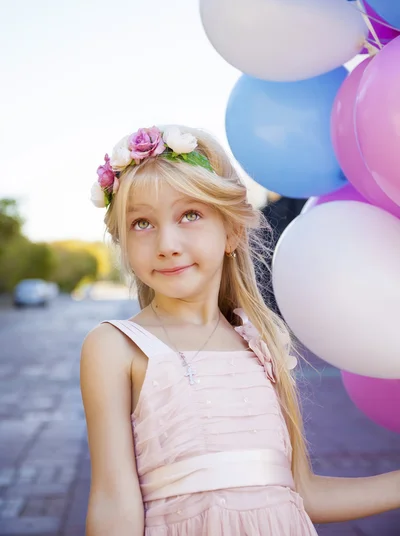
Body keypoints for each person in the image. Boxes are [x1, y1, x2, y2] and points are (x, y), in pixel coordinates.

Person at [81, 125, 400, 536]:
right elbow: (113, 503)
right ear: (122, 239)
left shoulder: (263, 344)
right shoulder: (114, 347)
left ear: (231, 231)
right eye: (142, 223)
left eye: (190, 215)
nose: (167, 243)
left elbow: (301, 494)